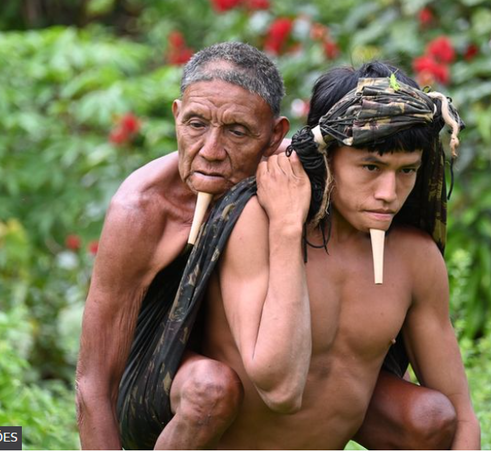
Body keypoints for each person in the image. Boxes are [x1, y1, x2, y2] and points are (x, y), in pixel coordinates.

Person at [76, 41, 459, 450]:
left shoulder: (295, 174)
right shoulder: (143, 209)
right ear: (176, 116)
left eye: (237, 131)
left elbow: (365, 147)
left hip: (277, 392)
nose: (210, 152)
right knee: (210, 389)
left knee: (421, 413)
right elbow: (93, 382)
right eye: (195, 124)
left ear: (275, 136)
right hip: (175, 389)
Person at [196, 62, 481, 448]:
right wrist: (286, 227)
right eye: (370, 166)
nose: (388, 192)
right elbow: (280, 390)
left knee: (432, 414)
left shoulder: (415, 258)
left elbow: (461, 415)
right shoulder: (255, 223)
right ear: (324, 157)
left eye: (407, 171)